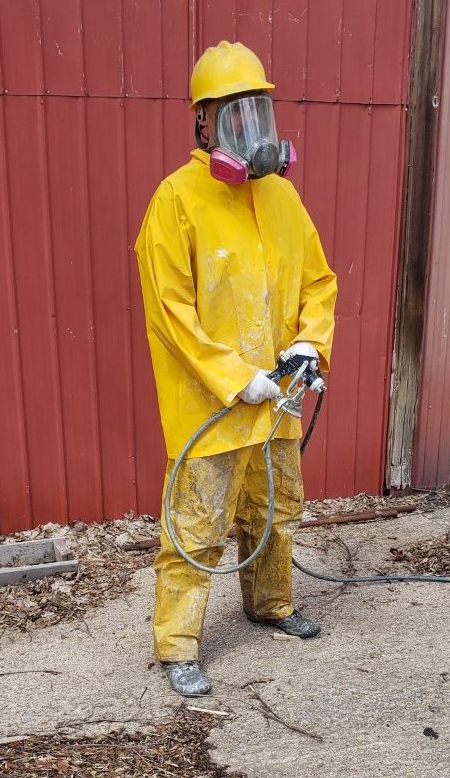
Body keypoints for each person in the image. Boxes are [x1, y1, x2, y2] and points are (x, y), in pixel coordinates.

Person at [135, 40, 337, 697]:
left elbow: (319, 283)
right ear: (204, 123)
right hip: (213, 412)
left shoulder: (282, 197)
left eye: (260, 114)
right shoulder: (176, 202)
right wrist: (231, 376)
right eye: (236, 117)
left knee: (275, 513)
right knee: (196, 529)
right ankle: (177, 646)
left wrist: (311, 343)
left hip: (277, 405)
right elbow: (172, 314)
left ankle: (272, 604)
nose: (253, 132)